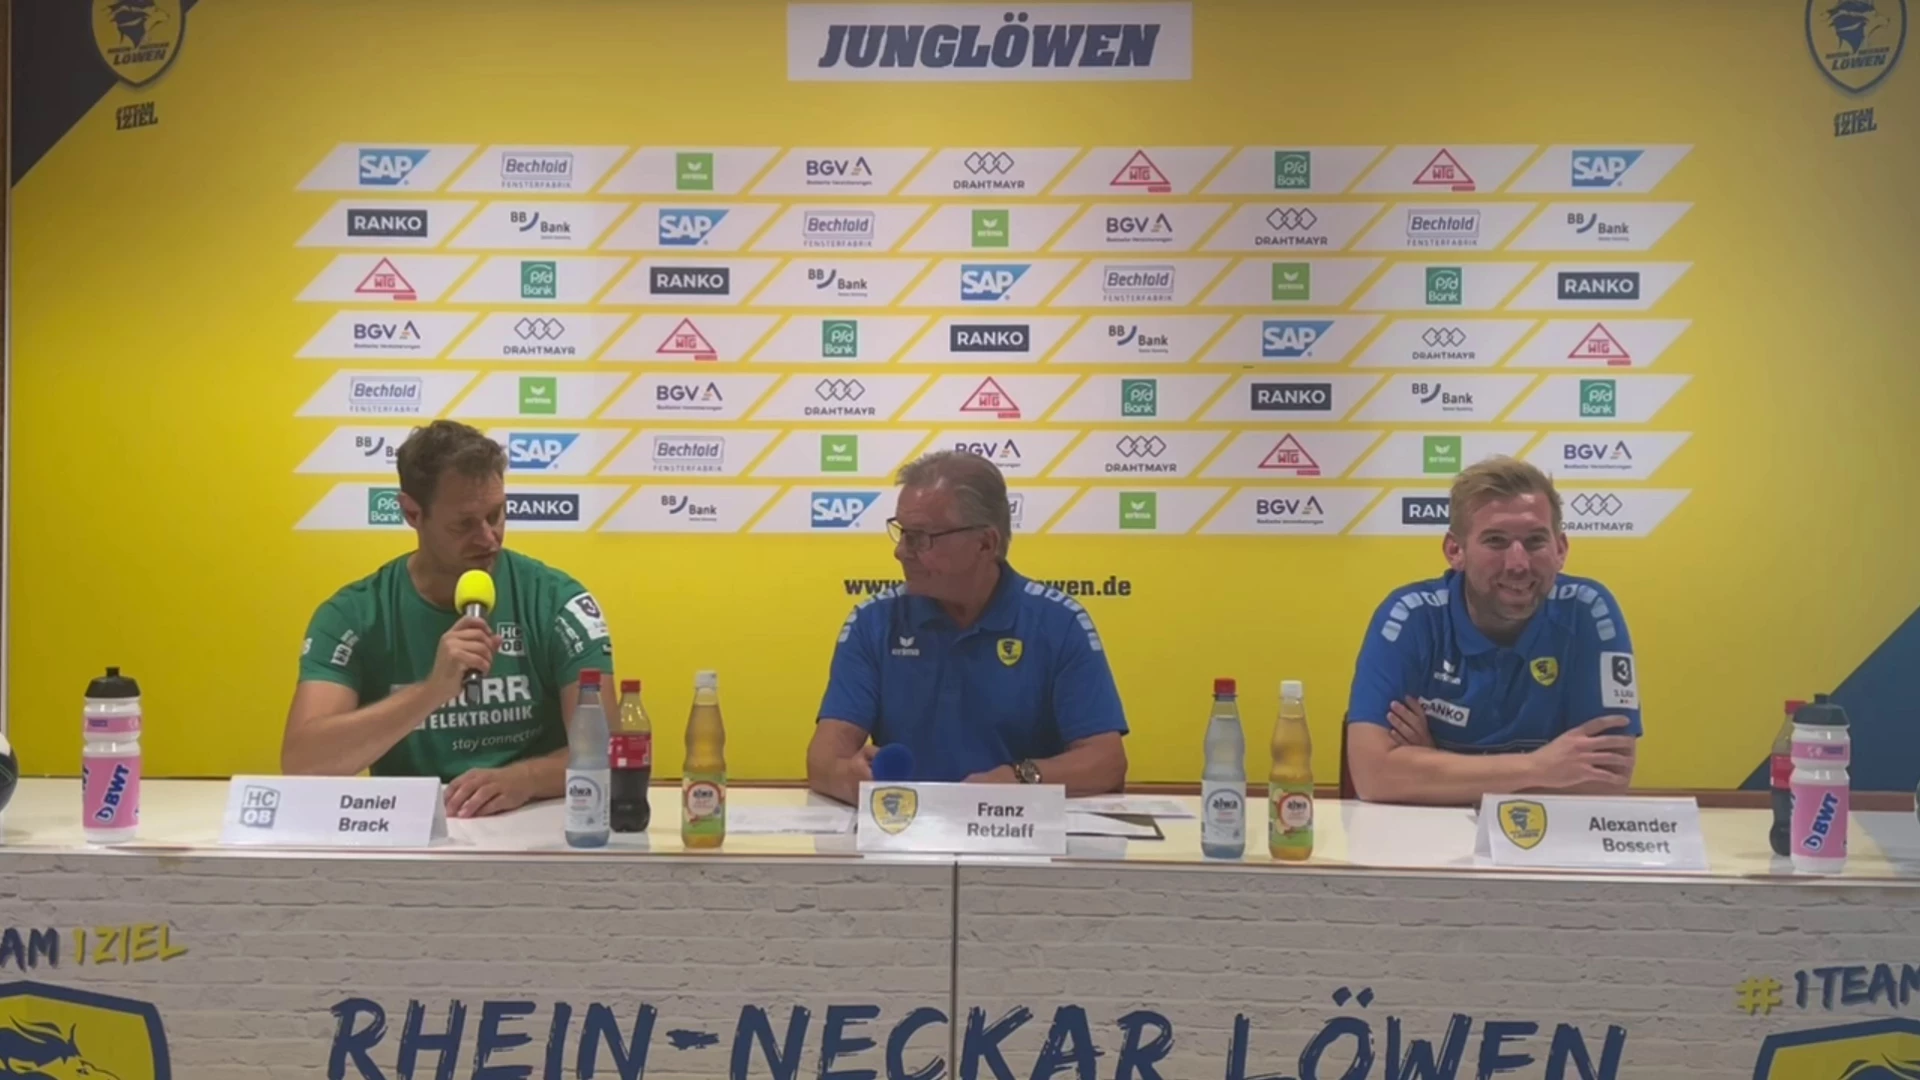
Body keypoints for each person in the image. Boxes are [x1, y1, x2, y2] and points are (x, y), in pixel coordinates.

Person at [281, 420, 614, 817]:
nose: (488, 538)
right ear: (411, 512)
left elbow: (610, 750)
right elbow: (303, 763)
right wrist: (431, 692)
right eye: (464, 524)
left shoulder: (557, 601)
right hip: (411, 832)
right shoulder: (354, 615)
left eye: (496, 515)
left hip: (537, 826)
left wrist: (525, 779)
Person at [807, 451, 1128, 802]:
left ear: (985, 543)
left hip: (1019, 828)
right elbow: (824, 758)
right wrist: (847, 777)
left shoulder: (1058, 623)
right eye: (901, 533)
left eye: (920, 537)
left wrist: (1019, 779)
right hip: (905, 825)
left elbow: (1106, 761)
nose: (900, 551)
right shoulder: (874, 622)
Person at [1344, 456, 1641, 805]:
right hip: (1430, 833)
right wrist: (1539, 767)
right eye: (1496, 541)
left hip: (1548, 833)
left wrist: (1436, 768)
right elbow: (1373, 776)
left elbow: (1607, 779)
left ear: (1560, 549)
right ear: (1455, 550)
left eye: (1535, 541)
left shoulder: (1590, 610)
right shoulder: (1409, 616)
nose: (1518, 563)